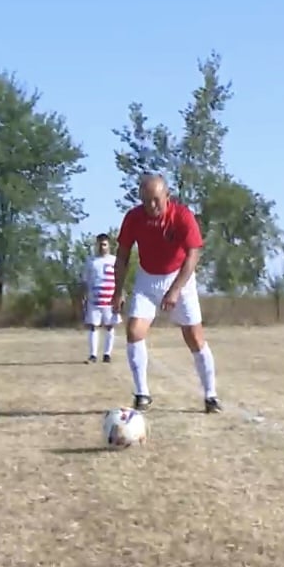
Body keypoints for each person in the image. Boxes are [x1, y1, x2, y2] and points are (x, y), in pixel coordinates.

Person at [110, 174, 220, 413]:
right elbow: (122, 256)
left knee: (194, 338)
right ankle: (142, 394)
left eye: (156, 200)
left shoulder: (182, 216)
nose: (151, 206)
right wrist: (118, 291)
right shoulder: (133, 218)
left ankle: (211, 395)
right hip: (147, 280)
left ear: (167, 197)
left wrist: (175, 290)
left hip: (180, 278)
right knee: (134, 331)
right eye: (146, 200)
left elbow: (193, 255)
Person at [82, 233, 120, 363]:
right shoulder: (91, 261)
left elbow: (120, 280)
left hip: (110, 300)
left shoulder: (114, 260)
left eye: (104, 244)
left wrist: (121, 295)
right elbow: (85, 280)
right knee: (93, 326)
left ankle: (107, 354)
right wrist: (84, 296)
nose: (102, 247)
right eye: (99, 244)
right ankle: (93, 355)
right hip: (94, 300)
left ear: (109, 245)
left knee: (110, 326)